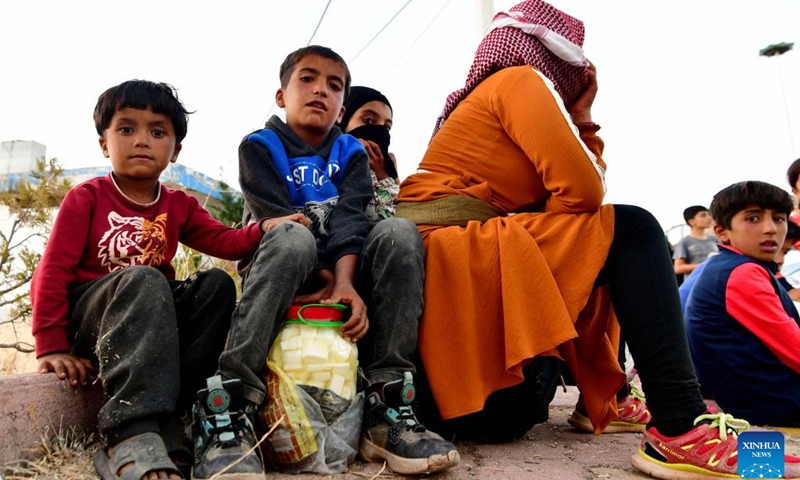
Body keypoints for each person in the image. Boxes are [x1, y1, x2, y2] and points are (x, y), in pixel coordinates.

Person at [395, 1, 800, 478]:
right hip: (451, 250)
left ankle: (607, 397)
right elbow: (586, 192)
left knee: (596, 242)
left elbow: (576, 203)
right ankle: (679, 427)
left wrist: (581, 119)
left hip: (487, 352)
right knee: (630, 229)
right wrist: (583, 120)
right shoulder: (515, 81)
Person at [189, 45, 459, 480]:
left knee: (399, 233)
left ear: (342, 105)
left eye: (334, 85)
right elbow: (275, 216)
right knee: (292, 233)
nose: (321, 90)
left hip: (343, 276)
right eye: (307, 79)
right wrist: (331, 280)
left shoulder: (350, 151)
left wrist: (346, 285)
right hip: (283, 270)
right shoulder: (261, 146)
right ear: (281, 95)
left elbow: (352, 219)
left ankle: (388, 405)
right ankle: (231, 405)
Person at [30, 80, 292, 480]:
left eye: (157, 132)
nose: (141, 141)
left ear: (175, 150)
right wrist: (51, 346)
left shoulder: (178, 204)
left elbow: (225, 241)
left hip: (150, 317)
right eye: (126, 129)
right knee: (145, 279)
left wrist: (264, 228)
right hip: (93, 317)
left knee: (215, 287)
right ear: (104, 143)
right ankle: (130, 430)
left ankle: (176, 421)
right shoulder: (86, 197)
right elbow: (51, 273)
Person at [685, 180, 800, 427]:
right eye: (753, 219)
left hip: (752, 396)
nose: (770, 229)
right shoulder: (743, 273)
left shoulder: (727, 266)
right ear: (722, 231)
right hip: (772, 402)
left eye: (779, 219)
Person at [338, 85, 399, 221]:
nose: (380, 131)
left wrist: (384, 176)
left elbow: (402, 223)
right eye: (368, 121)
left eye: (386, 127)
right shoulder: (324, 160)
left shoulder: (387, 166)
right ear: (341, 117)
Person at [673, 205, 719, 283]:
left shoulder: (715, 240)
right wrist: (705, 265)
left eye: (709, 215)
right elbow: (678, 268)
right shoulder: (685, 242)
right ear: (691, 221)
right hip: (694, 284)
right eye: (703, 215)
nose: (708, 218)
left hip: (714, 281)